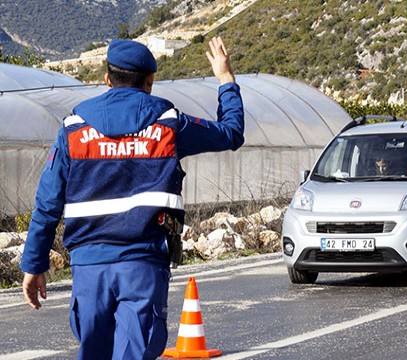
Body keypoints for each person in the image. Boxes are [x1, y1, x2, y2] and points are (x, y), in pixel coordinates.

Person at [20, 36, 244, 359]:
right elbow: (231, 132)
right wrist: (225, 79)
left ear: (107, 79)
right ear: (150, 81)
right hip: (143, 265)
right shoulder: (168, 124)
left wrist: (34, 264)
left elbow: (47, 202)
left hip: (89, 269)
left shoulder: (74, 127)